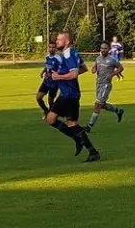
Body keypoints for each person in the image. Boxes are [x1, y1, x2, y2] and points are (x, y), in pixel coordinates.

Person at [43, 31, 100, 162]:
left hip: (70, 95)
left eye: (59, 40)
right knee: (52, 119)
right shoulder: (69, 53)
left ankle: (92, 151)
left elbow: (74, 74)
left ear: (67, 41)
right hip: (66, 94)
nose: (57, 42)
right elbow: (84, 68)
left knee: (71, 123)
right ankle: (81, 142)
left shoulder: (69, 55)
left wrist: (59, 77)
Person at [87, 44, 125, 129]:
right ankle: (118, 111)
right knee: (102, 105)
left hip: (106, 85)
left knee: (97, 105)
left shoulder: (112, 59)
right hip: (98, 84)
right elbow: (94, 68)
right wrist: (94, 69)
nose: (103, 50)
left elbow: (121, 68)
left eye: (105, 48)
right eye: (101, 48)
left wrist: (112, 74)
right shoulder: (98, 58)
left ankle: (89, 126)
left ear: (108, 49)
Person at [35, 40, 58, 115]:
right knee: (38, 97)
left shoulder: (59, 58)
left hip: (54, 83)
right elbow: (47, 66)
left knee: (50, 101)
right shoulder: (47, 57)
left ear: (56, 48)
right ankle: (46, 110)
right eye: (50, 47)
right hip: (46, 81)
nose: (51, 49)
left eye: (53, 47)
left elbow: (62, 69)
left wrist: (55, 75)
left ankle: (52, 115)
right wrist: (43, 72)